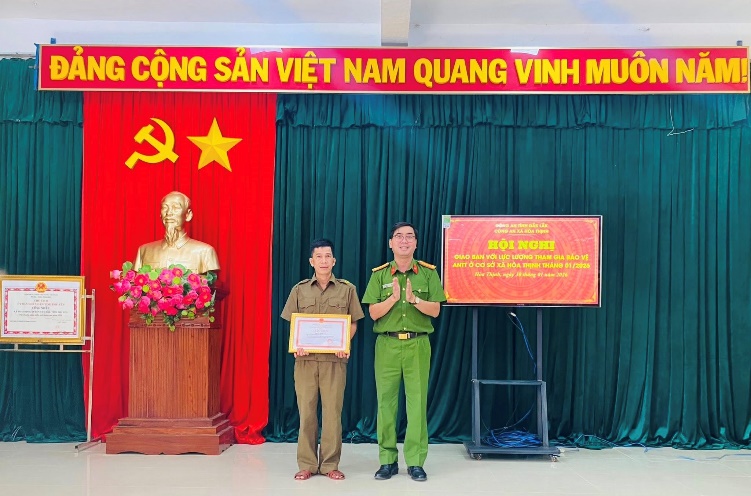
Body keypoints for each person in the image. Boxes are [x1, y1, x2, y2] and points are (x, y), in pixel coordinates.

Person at [362, 221, 446, 482]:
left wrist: (414, 299)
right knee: (386, 403)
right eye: (399, 236)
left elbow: (436, 310)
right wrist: (392, 299)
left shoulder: (428, 273)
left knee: (417, 403)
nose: (404, 241)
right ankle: (387, 460)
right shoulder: (380, 275)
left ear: (416, 243)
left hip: (417, 344)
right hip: (387, 344)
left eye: (410, 236)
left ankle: (415, 462)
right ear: (390, 243)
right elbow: (373, 313)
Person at [281, 239, 365, 481]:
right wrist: (297, 345)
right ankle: (307, 464)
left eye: (328, 256)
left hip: (334, 363)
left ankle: (329, 465)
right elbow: (293, 324)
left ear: (334, 260)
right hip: (305, 362)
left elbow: (353, 322)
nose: (324, 261)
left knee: (332, 415)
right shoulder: (299, 290)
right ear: (312, 261)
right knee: (306, 414)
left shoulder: (347, 289)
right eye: (319, 256)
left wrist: (344, 343)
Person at [133, 191, 219, 273]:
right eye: (165, 207)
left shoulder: (205, 252)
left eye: (176, 207)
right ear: (160, 215)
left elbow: (210, 281)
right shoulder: (144, 251)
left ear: (188, 215)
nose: (169, 213)